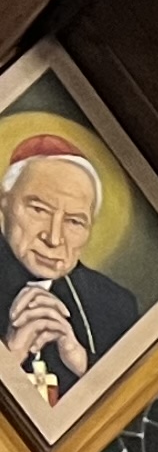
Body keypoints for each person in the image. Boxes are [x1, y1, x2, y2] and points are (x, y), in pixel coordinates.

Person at [4, 133, 137, 397]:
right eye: (39, 210)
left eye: (74, 222)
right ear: (4, 204)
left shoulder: (116, 306)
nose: (54, 238)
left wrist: (83, 364)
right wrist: (9, 357)